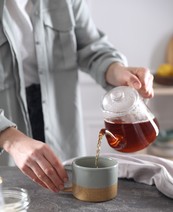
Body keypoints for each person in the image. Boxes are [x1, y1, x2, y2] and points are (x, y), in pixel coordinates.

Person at [0, 0, 153, 192]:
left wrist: (116, 70)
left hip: (61, 125)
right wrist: (10, 138)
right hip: (6, 132)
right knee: (13, 209)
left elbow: (91, 46)